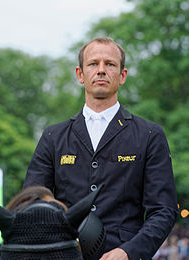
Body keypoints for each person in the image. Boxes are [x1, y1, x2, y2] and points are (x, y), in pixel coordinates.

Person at [23, 37, 178, 260]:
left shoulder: (150, 135)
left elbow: (163, 210)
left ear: (122, 75)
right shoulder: (52, 137)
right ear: (80, 74)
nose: (102, 70)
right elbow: (32, 204)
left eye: (110, 64)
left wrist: (129, 252)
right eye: (93, 64)